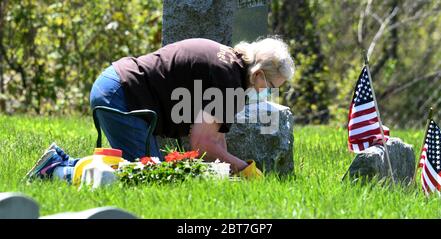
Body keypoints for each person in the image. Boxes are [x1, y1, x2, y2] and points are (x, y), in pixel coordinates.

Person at [26, 37, 295, 181]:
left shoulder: (229, 65)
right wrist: (245, 169)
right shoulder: (230, 83)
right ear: (258, 73)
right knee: (145, 175)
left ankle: (61, 162)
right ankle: (59, 170)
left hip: (115, 84)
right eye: (270, 85)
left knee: (139, 169)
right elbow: (202, 144)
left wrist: (228, 167)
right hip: (122, 95)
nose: (268, 92)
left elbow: (215, 137)